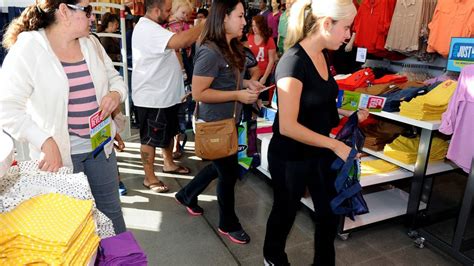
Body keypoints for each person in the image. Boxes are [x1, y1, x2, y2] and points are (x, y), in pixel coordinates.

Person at [0, 0, 127, 234]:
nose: (93, 17)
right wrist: (44, 140)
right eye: (87, 10)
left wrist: (114, 94)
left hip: (100, 149)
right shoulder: (29, 49)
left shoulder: (91, 44)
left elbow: (115, 79)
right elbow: (7, 106)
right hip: (60, 158)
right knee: (72, 226)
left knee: (112, 216)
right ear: (64, 11)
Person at [262, 0, 368, 265]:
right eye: (346, 27)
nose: (348, 35)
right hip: (290, 157)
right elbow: (288, 125)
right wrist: (335, 146)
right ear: (326, 24)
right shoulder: (293, 62)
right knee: (285, 211)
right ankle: (273, 258)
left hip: (318, 152)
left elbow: (319, 103)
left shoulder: (322, 55)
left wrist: (348, 115)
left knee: (329, 214)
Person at [175, 0, 264, 244]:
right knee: (228, 173)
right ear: (224, 17)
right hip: (215, 124)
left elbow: (226, 82)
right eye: (240, 16)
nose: (244, 22)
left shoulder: (231, 47)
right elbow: (199, 92)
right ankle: (228, 223)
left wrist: (247, 84)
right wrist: (238, 94)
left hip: (229, 121)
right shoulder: (210, 50)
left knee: (222, 167)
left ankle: (186, 194)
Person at [132, 0, 204, 193]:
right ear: (156, 11)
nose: (170, 13)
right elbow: (182, 41)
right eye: (166, 10)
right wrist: (204, 24)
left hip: (165, 96)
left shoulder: (155, 28)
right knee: (149, 139)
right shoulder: (148, 29)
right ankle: (149, 177)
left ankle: (168, 163)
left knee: (168, 131)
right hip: (152, 98)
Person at [247, 15, 276, 86]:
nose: (254, 28)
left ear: (262, 26)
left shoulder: (269, 40)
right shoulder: (249, 37)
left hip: (263, 75)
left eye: (256, 26)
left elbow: (271, 60)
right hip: (250, 75)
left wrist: (265, 77)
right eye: (253, 25)